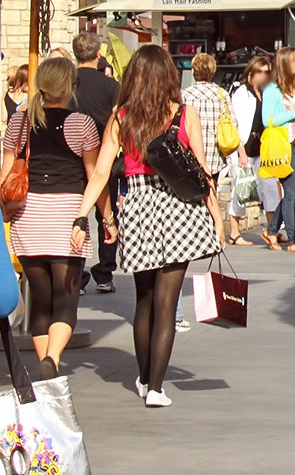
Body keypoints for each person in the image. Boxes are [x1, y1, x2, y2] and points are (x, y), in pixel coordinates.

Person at [73, 45, 223, 408]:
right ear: (169, 76)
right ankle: (156, 387)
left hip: (138, 207)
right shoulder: (183, 114)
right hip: (180, 209)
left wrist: (82, 215)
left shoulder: (121, 118)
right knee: (166, 304)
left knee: (144, 300)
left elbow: (100, 175)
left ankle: (143, 378)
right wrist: (218, 218)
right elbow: (202, 171)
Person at [0, 57, 99, 377]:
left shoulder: (18, 121)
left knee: (40, 300)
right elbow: (94, 176)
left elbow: (5, 176)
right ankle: (52, 360)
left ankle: (46, 371)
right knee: (65, 300)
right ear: (70, 86)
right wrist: (106, 217)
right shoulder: (82, 123)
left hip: (28, 221)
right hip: (67, 219)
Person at [70, 33, 120, 293]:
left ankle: (76, 272)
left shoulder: (68, 85)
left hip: (71, 157)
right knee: (106, 213)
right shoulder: (111, 86)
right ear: (98, 54)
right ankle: (105, 271)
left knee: (76, 213)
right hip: (103, 156)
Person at [262, 47, 295, 254]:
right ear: (284, 62)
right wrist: (292, 114)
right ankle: (293, 240)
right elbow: (268, 121)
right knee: (290, 192)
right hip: (285, 145)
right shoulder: (272, 90)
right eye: (293, 59)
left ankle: (272, 230)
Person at [227, 55, 272, 247]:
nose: (264, 76)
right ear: (252, 73)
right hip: (245, 148)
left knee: (270, 190)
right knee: (241, 190)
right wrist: (241, 151)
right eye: (260, 72)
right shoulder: (241, 93)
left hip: (263, 149)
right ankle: (234, 232)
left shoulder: (266, 93)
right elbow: (236, 123)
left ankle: (273, 229)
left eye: (267, 72)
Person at [180, 53, 229, 187]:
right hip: (215, 155)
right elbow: (232, 123)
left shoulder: (184, 95)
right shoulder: (222, 94)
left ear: (193, 71)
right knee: (211, 190)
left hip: (190, 154)